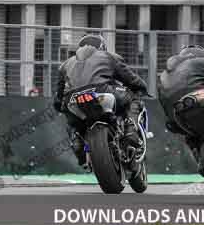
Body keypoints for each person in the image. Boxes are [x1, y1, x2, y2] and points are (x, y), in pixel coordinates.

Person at [53, 34, 148, 166]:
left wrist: (60, 106)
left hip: (73, 98)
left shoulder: (65, 64)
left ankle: (77, 143)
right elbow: (129, 78)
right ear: (102, 47)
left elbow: (58, 98)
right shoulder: (109, 56)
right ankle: (131, 131)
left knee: (72, 123)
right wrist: (141, 86)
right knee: (133, 99)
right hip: (102, 91)